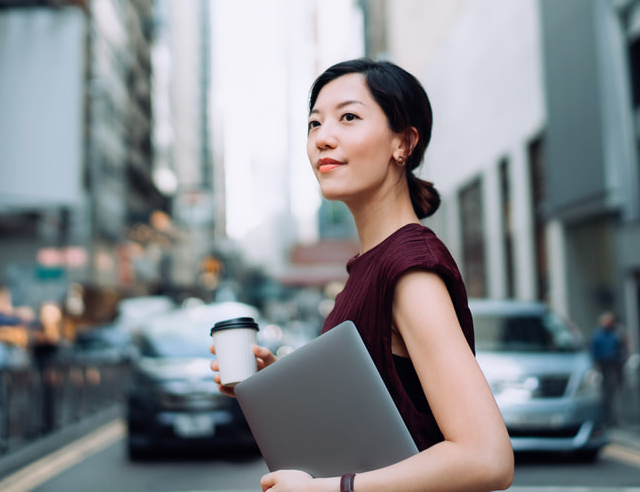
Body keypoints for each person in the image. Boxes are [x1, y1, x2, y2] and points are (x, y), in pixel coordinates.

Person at [210, 59, 514, 492]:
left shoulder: (410, 267)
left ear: (403, 143)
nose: (322, 138)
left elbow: (487, 459)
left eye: (348, 117)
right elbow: (384, 411)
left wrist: (327, 489)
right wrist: (279, 386)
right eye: (314, 124)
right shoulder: (370, 265)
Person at [590, 311, 627, 426]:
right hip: (604, 366)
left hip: (615, 365)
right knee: (605, 393)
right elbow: (594, 351)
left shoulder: (616, 333)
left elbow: (622, 346)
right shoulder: (598, 335)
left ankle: (613, 417)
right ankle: (607, 417)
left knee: (614, 391)